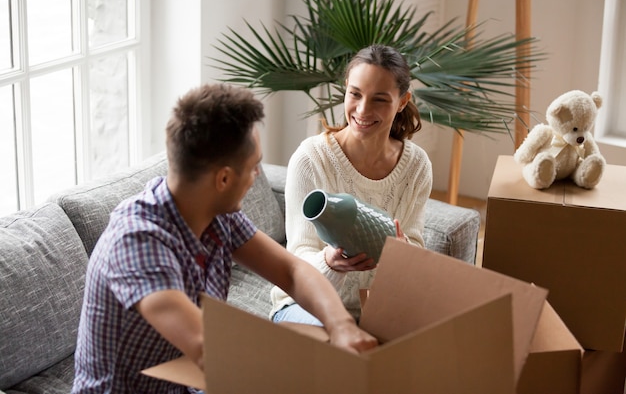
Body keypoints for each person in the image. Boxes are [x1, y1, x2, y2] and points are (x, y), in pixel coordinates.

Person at [72, 84, 378, 394]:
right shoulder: (137, 242)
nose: (258, 174)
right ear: (223, 179)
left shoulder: (215, 214)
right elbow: (208, 348)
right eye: (253, 166)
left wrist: (341, 326)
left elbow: (293, 271)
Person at [270, 45, 433, 325]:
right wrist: (331, 263)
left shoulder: (416, 165)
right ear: (345, 88)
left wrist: (402, 250)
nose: (362, 109)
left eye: (379, 100)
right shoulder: (311, 159)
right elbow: (297, 259)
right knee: (343, 346)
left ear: (403, 101)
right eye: (355, 94)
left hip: (377, 309)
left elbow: (416, 248)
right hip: (307, 305)